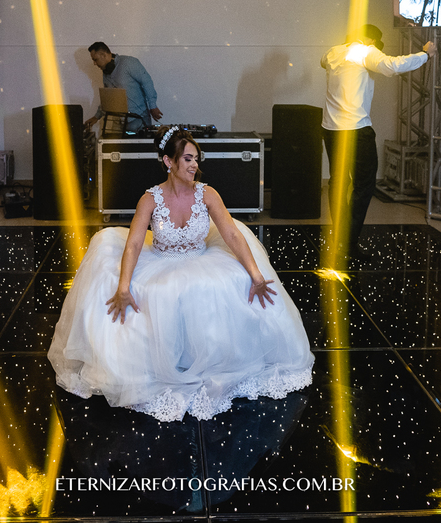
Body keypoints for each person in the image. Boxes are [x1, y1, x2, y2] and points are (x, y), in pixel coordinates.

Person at [49, 125, 313, 422]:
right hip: (161, 259)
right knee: (152, 292)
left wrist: (255, 275)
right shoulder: (150, 199)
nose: (194, 165)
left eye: (196, 159)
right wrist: (124, 287)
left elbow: (232, 235)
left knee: (222, 285)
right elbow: (135, 243)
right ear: (168, 162)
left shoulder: (207, 194)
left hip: (201, 257)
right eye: (187, 159)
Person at [321, 24, 435, 253]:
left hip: (331, 128)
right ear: (369, 40)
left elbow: (323, 62)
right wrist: (425, 54)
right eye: (376, 43)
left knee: (338, 182)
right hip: (356, 130)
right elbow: (393, 65)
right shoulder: (365, 52)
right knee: (364, 184)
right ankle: (348, 240)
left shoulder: (333, 52)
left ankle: (340, 234)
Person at [83, 42, 162, 133]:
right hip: (119, 122)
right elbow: (108, 98)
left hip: (138, 119)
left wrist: (153, 106)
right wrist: (96, 117)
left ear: (103, 55)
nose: (94, 63)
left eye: (95, 60)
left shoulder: (128, 63)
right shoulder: (106, 74)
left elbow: (147, 82)